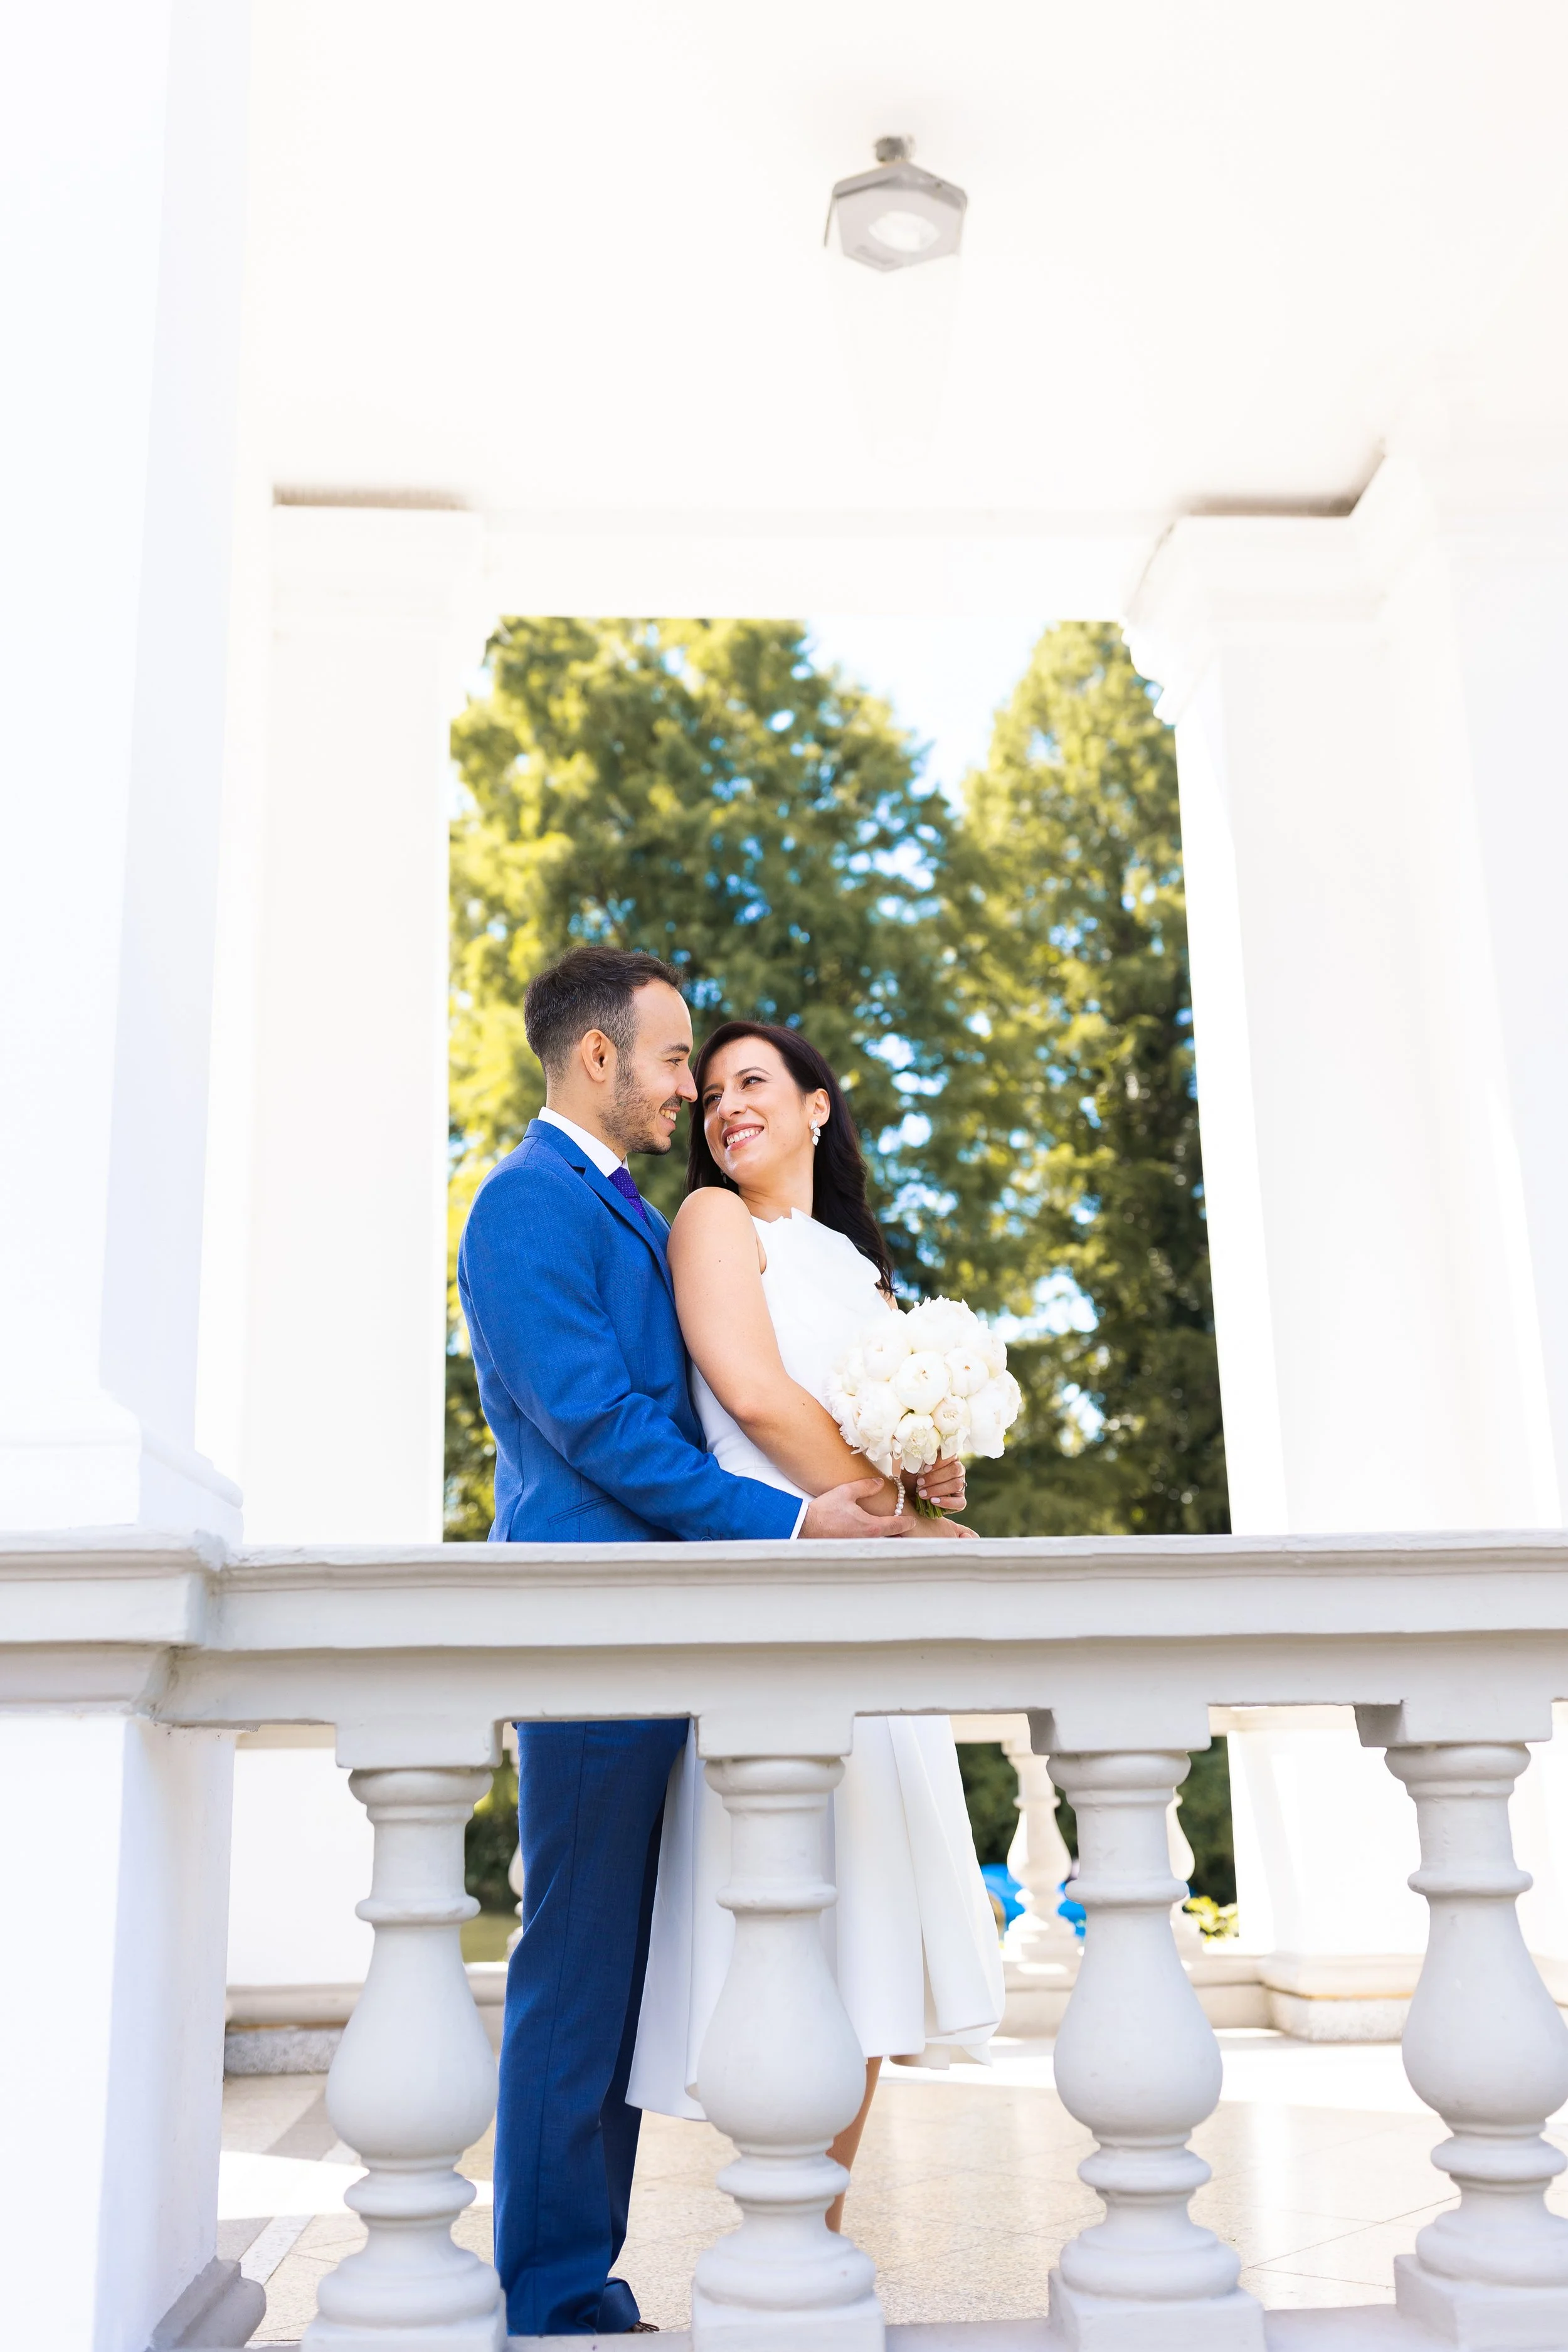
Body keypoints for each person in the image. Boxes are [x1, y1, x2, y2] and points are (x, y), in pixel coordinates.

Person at [457, 948, 931, 2338]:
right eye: (672, 1062)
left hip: (681, 1628)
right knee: (579, 1959)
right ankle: (549, 2294)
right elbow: (599, 1429)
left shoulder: (633, 1217)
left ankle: (588, 2277)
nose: (685, 1089)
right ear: (597, 1060)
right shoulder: (522, 1205)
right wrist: (789, 1525)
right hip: (597, 1624)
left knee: (645, 1961)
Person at [626, 1020, 1003, 2224]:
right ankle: (772, 2227)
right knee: (783, 1923)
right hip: (784, 1587)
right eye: (712, 1091)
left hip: (875, 1605)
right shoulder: (712, 1224)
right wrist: (904, 1510)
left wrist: (932, 1472)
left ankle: (820, 2234)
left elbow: (883, 1435)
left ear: (818, 1108)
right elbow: (751, 1392)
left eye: (754, 1085)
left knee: (872, 1930)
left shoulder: (858, 1263)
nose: (725, 1106)